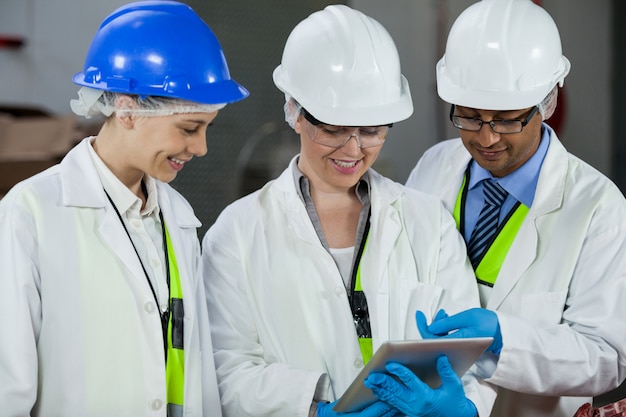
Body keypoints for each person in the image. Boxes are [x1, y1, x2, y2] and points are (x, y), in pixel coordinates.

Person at [202, 5, 496, 417]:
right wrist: (313, 409)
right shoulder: (236, 234)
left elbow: (465, 362)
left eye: (372, 129)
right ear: (295, 111)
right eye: (335, 128)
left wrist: (462, 408)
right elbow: (226, 373)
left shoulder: (427, 221)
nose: (354, 149)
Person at [0, 1, 248, 416]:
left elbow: (193, 368)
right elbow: (7, 389)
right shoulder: (31, 214)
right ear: (128, 108)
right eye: (189, 128)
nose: (201, 148)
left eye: (207, 128)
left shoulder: (178, 216)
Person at [405, 0, 626, 416]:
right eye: (469, 117)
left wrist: (505, 342)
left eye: (507, 120)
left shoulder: (600, 208)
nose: (487, 139)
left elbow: (607, 355)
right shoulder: (435, 166)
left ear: (548, 103)